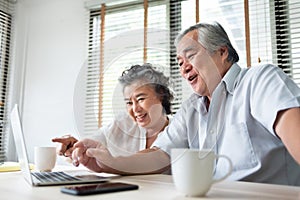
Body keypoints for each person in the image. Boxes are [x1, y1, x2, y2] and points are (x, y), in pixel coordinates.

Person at [70, 22, 300, 185]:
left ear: (222, 52)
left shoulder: (260, 80)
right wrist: (108, 163)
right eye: (179, 62)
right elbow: (160, 156)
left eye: (190, 56)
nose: (183, 68)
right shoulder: (192, 108)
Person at [52, 63, 173, 158]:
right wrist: (75, 147)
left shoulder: (180, 129)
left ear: (161, 95)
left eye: (141, 99)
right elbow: (91, 144)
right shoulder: (122, 123)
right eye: (129, 103)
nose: (135, 109)